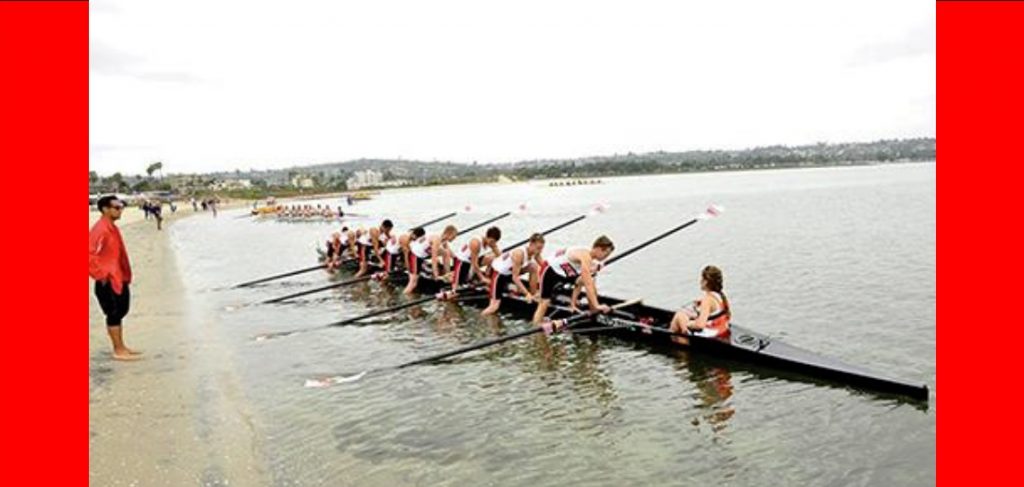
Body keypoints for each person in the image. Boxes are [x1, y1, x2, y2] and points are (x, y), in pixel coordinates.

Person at [89, 196, 141, 361]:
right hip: (108, 279)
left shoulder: (111, 227)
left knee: (121, 310)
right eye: (116, 207)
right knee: (114, 313)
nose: (120, 210)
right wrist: (101, 274)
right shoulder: (100, 229)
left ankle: (122, 346)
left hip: (118, 277)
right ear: (105, 209)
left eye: (121, 206)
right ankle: (118, 350)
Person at [532, 236, 615, 324]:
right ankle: (535, 324)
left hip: (564, 273)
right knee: (544, 303)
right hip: (549, 270)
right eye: (606, 254)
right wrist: (597, 305)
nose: (606, 258)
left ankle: (591, 310)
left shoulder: (590, 258)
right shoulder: (585, 256)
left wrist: (594, 268)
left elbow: (585, 280)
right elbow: (588, 285)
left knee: (591, 276)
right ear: (598, 248)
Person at [482, 233, 545, 315]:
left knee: (533, 267)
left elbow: (545, 267)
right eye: (538, 248)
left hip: (509, 273)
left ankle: (533, 294)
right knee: (494, 307)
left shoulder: (536, 253)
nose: (540, 251)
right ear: (531, 244)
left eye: (541, 249)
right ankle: (480, 319)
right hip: (497, 274)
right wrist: (526, 294)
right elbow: (515, 278)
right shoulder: (519, 254)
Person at [668, 265, 731, 344]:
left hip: (710, 335)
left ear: (706, 282)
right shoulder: (720, 295)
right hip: (722, 330)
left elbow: (700, 326)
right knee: (687, 315)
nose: (700, 281)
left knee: (679, 316)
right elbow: (724, 315)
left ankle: (672, 340)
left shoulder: (707, 299)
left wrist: (689, 324)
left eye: (702, 279)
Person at [444, 226, 502, 298]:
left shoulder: (492, 243)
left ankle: (488, 277)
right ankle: (453, 277)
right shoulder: (476, 243)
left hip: (473, 261)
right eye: (491, 241)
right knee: (456, 288)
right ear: (487, 236)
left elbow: (500, 257)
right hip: (462, 261)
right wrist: (482, 278)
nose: (492, 243)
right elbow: (474, 263)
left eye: (494, 242)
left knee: (493, 258)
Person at [404, 225, 458, 295]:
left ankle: (447, 274)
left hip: (423, 254)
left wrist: (459, 261)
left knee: (446, 253)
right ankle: (404, 295)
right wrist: (436, 276)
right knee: (413, 283)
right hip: (414, 256)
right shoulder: (437, 239)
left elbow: (452, 255)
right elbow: (434, 258)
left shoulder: (444, 241)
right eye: (454, 236)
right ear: (449, 234)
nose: (455, 238)